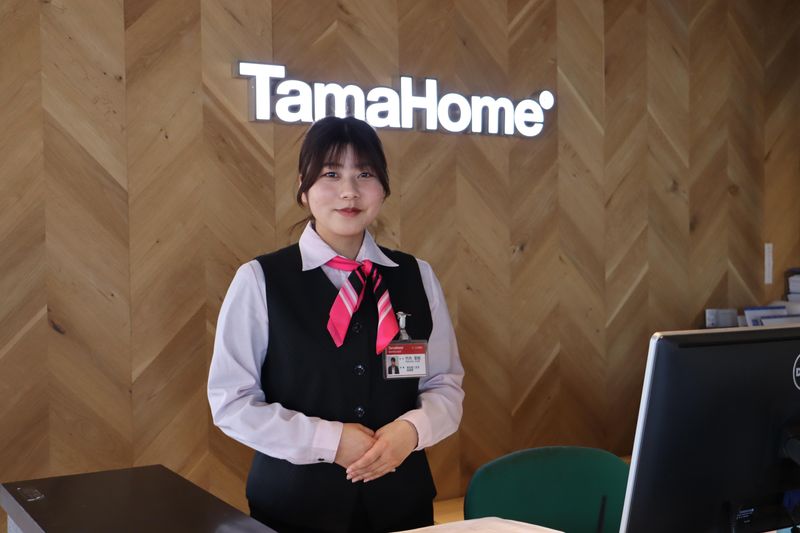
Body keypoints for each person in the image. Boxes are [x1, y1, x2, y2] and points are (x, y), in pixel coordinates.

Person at [207, 116, 464, 533]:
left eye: (365, 174)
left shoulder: (417, 276)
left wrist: (411, 431)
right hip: (293, 509)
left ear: (383, 187)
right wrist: (329, 441)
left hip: (402, 504)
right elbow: (231, 402)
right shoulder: (259, 279)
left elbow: (444, 385)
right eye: (330, 174)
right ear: (303, 187)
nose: (349, 191)